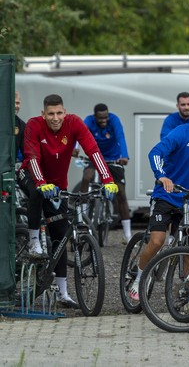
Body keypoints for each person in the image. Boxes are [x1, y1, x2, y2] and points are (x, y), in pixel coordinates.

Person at [17, 94, 118, 308]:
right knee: (37, 191)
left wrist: (108, 180)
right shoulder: (34, 125)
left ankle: (63, 293)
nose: (55, 118)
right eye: (51, 114)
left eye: (59, 113)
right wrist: (42, 182)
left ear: (65, 112)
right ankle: (34, 241)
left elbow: (93, 151)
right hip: (31, 174)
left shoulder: (74, 123)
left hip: (57, 184)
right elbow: (32, 156)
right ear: (43, 114)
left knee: (61, 237)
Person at [129, 95, 189, 302]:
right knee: (157, 241)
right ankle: (139, 277)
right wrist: (161, 176)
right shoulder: (180, 132)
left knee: (188, 247)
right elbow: (155, 153)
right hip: (167, 196)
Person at [79, 103, 132, 243]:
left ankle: (127, 234)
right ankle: (83, 218)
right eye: (100, 118)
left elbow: (120, 136)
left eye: (105, 118)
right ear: (94, 116)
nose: (104, 121)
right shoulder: (89, 121)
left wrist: (125, 156)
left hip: (114, 159)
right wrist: (75, 148)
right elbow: (79, 133)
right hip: (95, 157)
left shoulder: (114, 120)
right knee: (86, 178)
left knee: (121, 194)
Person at [14, 91, 26, 162]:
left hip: (9, 170)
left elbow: (26, 152)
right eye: (13, 102)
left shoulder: (22, 125)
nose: (15, 106)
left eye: (18, 103)